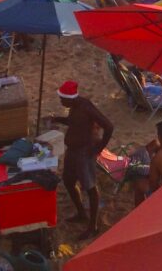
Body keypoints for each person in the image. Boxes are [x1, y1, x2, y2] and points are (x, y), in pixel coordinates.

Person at [49, 81, 114, 240]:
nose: (60, 101)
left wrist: (98, 149)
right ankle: (81, 213)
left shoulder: (85, 107)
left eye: (61, 99)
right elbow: (73, 122)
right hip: (73, 151)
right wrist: (57, 119)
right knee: (69, 181)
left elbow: (109, 126)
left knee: (91, 188)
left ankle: (93, 226)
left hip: (84, 152)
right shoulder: (74, 107)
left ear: (69, 99)